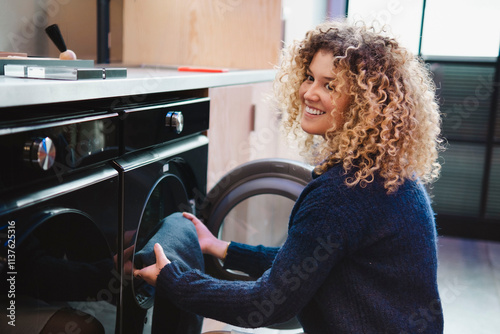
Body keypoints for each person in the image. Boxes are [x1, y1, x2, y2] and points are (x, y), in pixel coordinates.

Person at [134, 19, 445, 333]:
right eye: (310, 77)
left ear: (366, 103)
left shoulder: (343, 192)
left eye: (329, 85)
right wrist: (220, 248)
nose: (309, 93)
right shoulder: (385, 173)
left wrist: (174, 281)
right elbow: (306, 262)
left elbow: (266, 303)